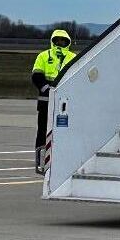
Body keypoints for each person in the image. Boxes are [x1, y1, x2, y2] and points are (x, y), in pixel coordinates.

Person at [32, 29, 76, 174]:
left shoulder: (73, 57)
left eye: (63, 40)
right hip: (46, 101)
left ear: (67, 42)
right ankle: (40, 159)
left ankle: (63, 157)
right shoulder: (43, 56)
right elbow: (36, 76)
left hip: (65, 102)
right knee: (42, 131)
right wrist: (47, 89)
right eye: (57, 40)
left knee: (64, 129)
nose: (60, 43)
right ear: (53, 41)